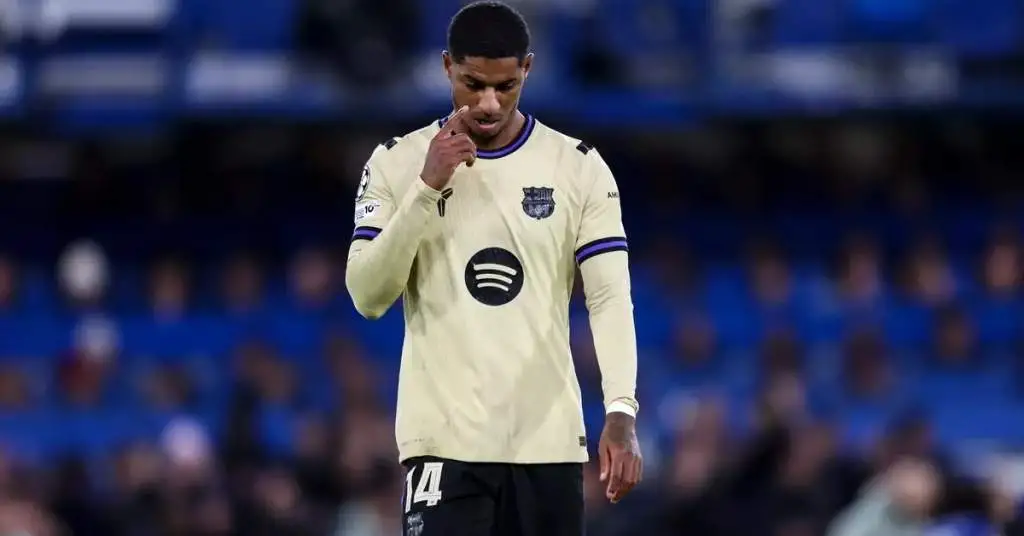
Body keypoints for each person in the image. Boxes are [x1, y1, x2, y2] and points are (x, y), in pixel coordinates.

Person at [344, 2, 641, 535]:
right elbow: (367, 295)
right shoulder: (396, 162)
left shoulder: (577, 167)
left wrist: (621, 408)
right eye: (473, 84)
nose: (488, 103)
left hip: (548, 446)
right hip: (443, 445)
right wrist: (426, 187)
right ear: (447, 67)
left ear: (527, 69)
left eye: (506, 86)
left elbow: (609, 297)